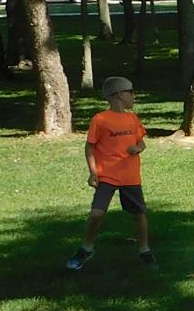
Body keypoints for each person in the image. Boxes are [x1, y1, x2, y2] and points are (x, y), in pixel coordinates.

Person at [65, 76, 153, 270]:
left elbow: (142, 142)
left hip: (130, 177)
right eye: (130, 92)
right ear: (119, 95)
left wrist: (138, 148)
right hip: (107, 176)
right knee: (96, 214)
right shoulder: (101, 119)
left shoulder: (132, 118)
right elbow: (89, 147)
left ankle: (145, 250)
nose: (133, 96)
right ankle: (86, 248)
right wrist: (93, 172)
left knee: (138, 214)